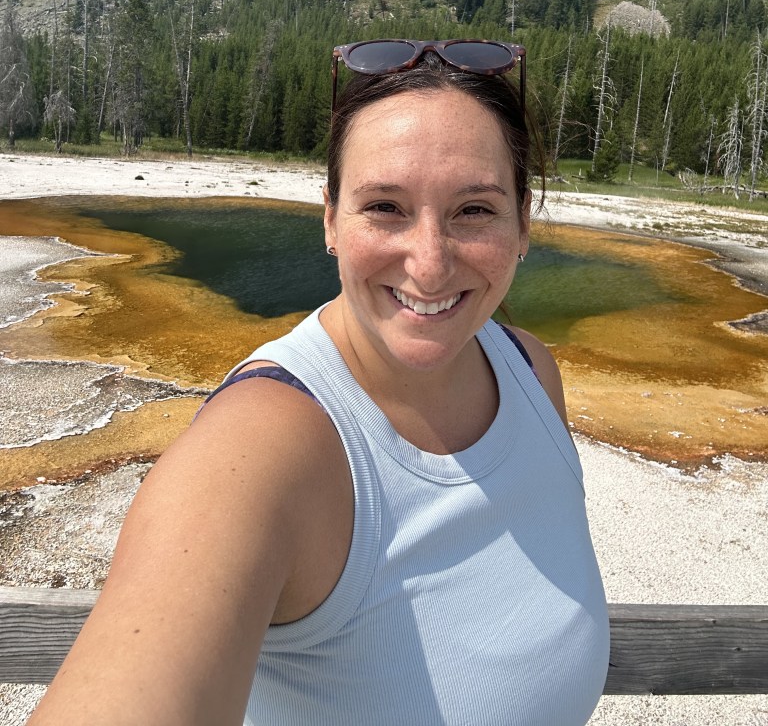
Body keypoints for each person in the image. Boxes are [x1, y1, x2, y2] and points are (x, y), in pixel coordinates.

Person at [29, 39, 610, 726]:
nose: (428, 265)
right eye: (385, 207)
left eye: (474, 210)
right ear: (331, 219)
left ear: (523, 224)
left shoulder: (531, 373)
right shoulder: (264, 450)